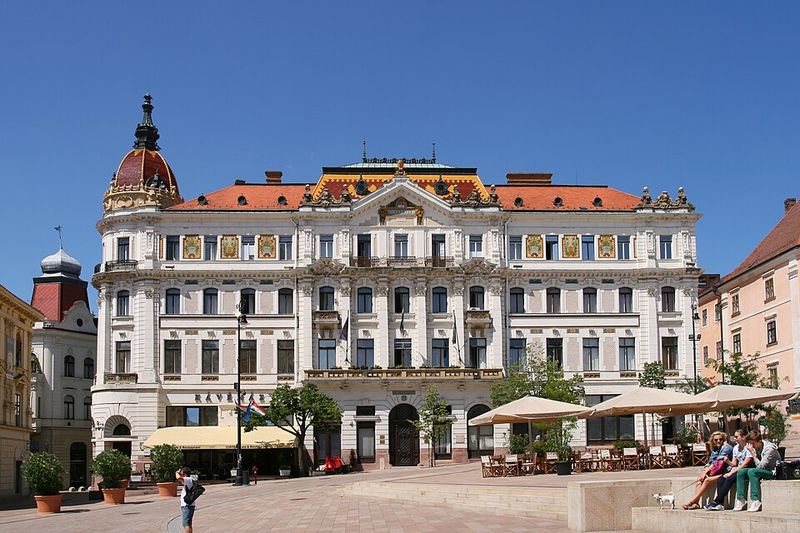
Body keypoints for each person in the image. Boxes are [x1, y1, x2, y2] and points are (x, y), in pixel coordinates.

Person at [703, 429, 753, 510]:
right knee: (720, 479)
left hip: (745, 470)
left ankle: (717, 501)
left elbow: (745, 464)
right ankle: (720, 504)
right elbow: (734, 463)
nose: (735, 438)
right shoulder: (736, 448)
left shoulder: (749, 447)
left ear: (743, 437)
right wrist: (728, 461)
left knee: (729, 478)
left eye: (737, 437)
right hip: (737, 469)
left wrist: (731, 472)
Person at [732, 430, 780, 512]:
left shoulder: (769, 449)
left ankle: (755, 500)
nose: (751, 446)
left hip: (772, 471)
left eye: (753, 443)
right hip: (761, 470)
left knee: (752, 471)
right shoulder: (756, 447)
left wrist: (753, 454)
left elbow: (761, 466)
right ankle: (741, 499)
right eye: (749, 443)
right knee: (741, 472)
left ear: (759, 441)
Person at [682, 431, 733, 510]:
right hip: (717, 472)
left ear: (723, 440)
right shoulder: (715, 449)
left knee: (707, 480)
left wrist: (706, 472)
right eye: (716, 440)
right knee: (699, 480)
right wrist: (704, 472)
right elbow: (709, 463)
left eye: (720, 439)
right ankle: (696, 503)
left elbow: (717, 462)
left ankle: (692, 501)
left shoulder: (726, 448)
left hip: (726, 472)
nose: (718, 441)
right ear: (713, 441)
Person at [177, 467, 195, 533]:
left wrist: (177, 472)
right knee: (187, 523)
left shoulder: (188, 479)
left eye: (181, 472)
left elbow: (178, 478)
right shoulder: (189, 480)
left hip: (187, 505)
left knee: (186, 524)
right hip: (187, 505)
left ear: (184, 473)